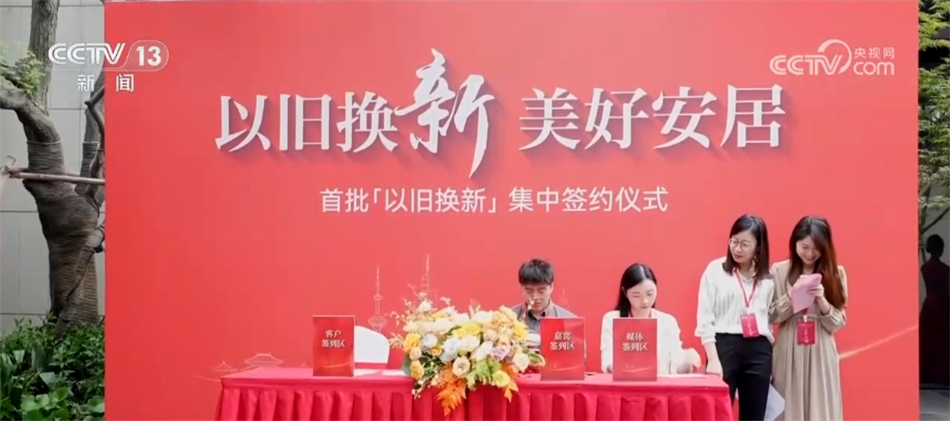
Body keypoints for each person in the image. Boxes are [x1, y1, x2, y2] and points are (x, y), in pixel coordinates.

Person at [695, 214, 774, 421]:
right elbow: (705, 318)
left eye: (745, 244)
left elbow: (769, 320)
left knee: (755, 415)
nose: (737, 249)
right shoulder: (715, 270)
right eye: (734, 241)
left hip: (759, 349)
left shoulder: (768, 278)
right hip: (724, 347)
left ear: (758, 247)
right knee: (718, 414)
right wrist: (713, 359)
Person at [770, 216, 847, 421]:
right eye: (804, 247)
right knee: (787, 405)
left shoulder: (836, 273)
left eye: (816, 248)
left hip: (821, 348)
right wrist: (792, 295)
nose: (810, 254)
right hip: (788, 346)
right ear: (794, 242)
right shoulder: (779, 271)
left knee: (820, 407)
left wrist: (822, 301)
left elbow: (837, 323)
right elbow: (772, 316)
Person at [600, 263, 701, 374]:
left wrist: (687, 362)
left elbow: (675, 366)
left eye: (649, 294)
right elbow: (607, 363)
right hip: (625, 383)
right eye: (636, 295)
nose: (645, 301)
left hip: (660, 384)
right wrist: (626, 367)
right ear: (625, 292)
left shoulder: (668, 322)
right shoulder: (612, 319)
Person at [510, 258, 577, 347]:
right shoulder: (508, 319)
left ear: (551, 287)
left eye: (541, 291)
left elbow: (577, 354)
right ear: (521, 288)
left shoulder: (569, 322)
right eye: (529, 291)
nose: (535, 297)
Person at [920, 234, 949, 387]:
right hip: (943, 306)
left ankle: (927, 374)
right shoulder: (945, 270)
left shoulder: (925, 268)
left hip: (929, 307)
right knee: (941, 343)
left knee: (928, 341)